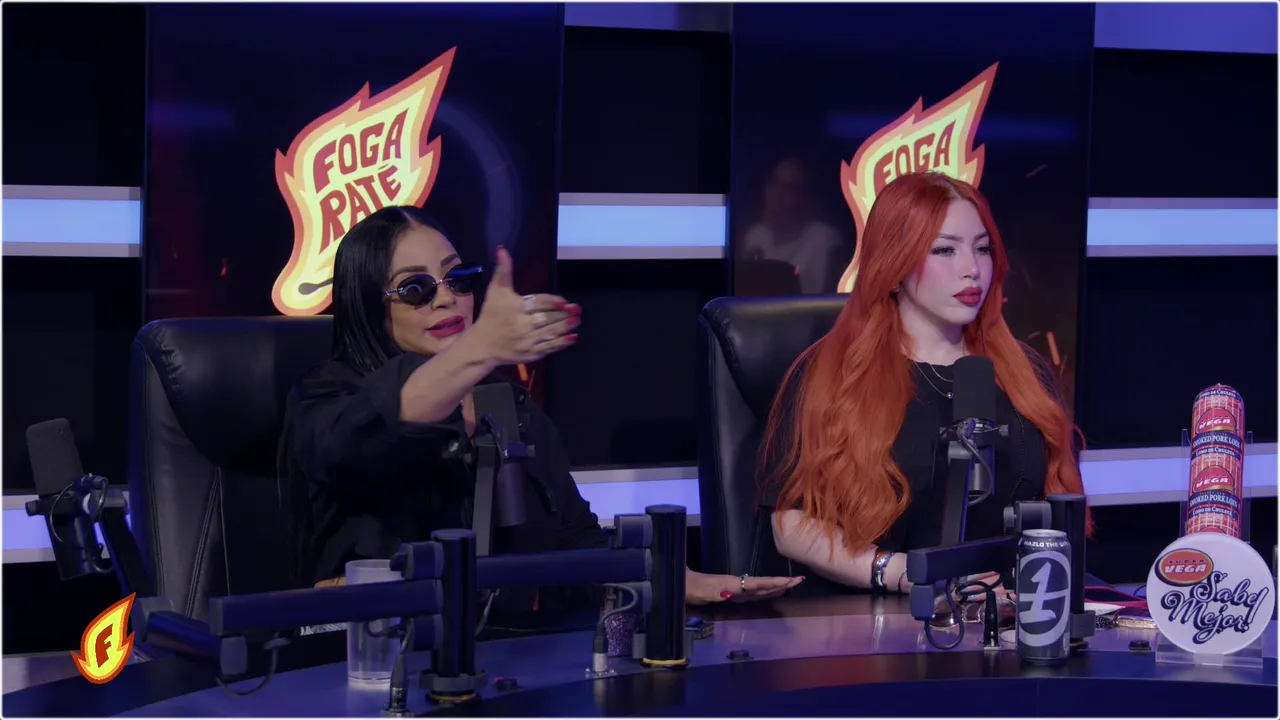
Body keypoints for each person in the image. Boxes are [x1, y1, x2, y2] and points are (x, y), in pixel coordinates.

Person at [282, 206, 802, 614]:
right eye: (416, 289)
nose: (447, 299)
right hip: (367, 660)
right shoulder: (326, 396)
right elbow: (363, 436)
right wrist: (480, 348)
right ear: (369, 306)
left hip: (500, 656)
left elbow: (573, 541)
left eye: (457, 278)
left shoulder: (506, 401)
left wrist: (671, 578)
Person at [761, 172, 1090, 600]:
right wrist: (903, 573)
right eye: (944, 250)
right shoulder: (832, 374)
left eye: (982, 248)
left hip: (1009, 614)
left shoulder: (1025, 371)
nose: (972, 269)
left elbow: (1058, 509)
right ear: (893, 266)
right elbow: (791, 524)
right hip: (875, 617)